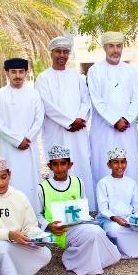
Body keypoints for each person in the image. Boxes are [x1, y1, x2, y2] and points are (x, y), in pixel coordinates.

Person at [36, 145, 121, 275]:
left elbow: (82, 207)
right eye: (55, 164)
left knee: (96, 231)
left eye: (63, 164)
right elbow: (38, 215)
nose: (59, 168)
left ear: (70, 165)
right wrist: (49, 225)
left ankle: (87, 258)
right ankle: (70, 258)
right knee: (93, 232)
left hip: (80, 225)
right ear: (49, 166)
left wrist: (87, 218)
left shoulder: (78, 182)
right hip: (60, 231)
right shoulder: (42, 188)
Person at [35, 36, 96, 209]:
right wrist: (70, 122)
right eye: (58, 51)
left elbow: (86, 100)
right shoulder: (43, 78)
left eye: (65, 51)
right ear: (51, 53)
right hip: (56, 132)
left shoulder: (77, 77)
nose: (62, 55)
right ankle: (57, 212)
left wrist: (80, 119)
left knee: (81, 167)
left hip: (78, 134)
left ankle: (88, 210)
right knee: (59, 168)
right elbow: (47, 105)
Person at [87, 31, 138, 190]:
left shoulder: (130, 71)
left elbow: (136, 99)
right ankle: (104, 209)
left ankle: (132, 208)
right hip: (103, 130)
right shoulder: (95, 70)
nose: (115, 50)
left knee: (128, 164)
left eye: (118, 46)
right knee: (102, 165)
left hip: (126, 128)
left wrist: (125, 119)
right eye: (111, 46)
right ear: (105, 47)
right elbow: (97, 100)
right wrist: (115, 120)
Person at [0, 58, 44, 208]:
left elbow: (39, 119)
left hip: (29, 148)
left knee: (31, 184)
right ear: (7, 73)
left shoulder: (34, 94)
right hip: (8, 149)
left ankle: (34, 216)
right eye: (13, 72)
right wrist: (17, 140)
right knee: (9, 183)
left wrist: (28, 138)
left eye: (21, 72)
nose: (18, 76)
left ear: (26, 72)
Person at [96, 148, 138, 258]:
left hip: (129, 219)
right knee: (115, 230)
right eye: (115, 162)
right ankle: (121, 252)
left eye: (122, 162)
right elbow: (103, 209)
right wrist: (116, 218)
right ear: (109, 165)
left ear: (126, 163)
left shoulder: (131, 183)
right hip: (110, 220)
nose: (120, 166)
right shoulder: (103, 183)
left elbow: (137, 206)